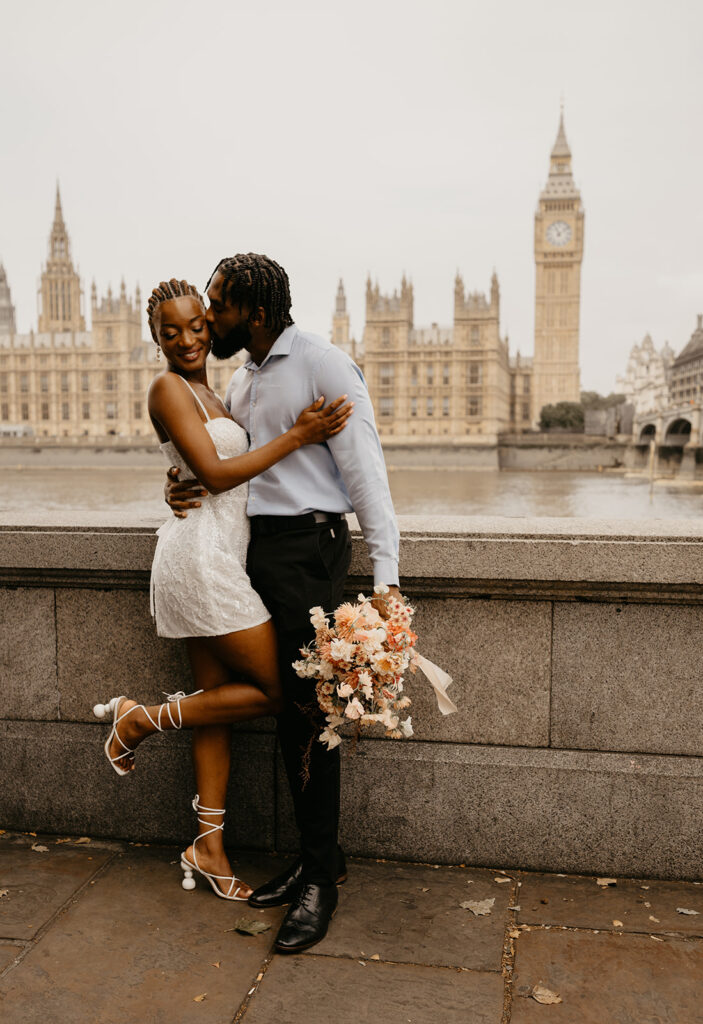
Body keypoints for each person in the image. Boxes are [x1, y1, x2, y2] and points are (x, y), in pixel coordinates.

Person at [165, 254, 401, 953]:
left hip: (307, 551)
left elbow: (367, 474)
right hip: (253, 551)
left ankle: (321, 877)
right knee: (287, 712)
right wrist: (178, 487)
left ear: (256, 313)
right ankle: (313, 856)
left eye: (219, 304)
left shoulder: (324, 364)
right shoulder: (243, 378)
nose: (208, 317)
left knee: (309, 713)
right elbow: (223, 464)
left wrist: (385, 577)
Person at [93, 277, 352, 904]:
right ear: (154, 338)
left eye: (196, 326)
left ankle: (208, 846)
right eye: (170, 331)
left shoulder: (219, 389)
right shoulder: (168, 387)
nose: (186, 338)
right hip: (200, 559)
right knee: (271, 691)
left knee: (217, 704)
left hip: (221, 550)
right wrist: (298, 435)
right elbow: (212, 470)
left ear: (211, 326)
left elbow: (202, 473)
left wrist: (174, 480)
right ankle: (141, 719)